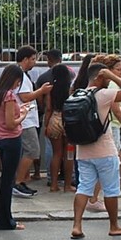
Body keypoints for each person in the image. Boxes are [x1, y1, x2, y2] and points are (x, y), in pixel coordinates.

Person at [70, 64, 121, 239]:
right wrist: (113, 76)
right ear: (100, 77)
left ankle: (77, 225)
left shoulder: (76, 94)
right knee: (111, 189)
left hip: (83, 151)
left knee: (84, 187)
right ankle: (114, 226)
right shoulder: (103, 94)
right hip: (105, 151)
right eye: (106, 78)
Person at [0, 64, 30, 231]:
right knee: (8, 182)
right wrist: (24, 115)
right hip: (11, 139)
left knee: (5, 180)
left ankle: (3, 218)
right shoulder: (9, 96)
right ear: (15, 80)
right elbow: (11, 123)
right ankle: (6, 220)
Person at [13, 45, 52, 198]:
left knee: (29, 151)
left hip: (26, 119)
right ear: (25, 59)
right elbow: (24, 96)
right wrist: (41, 91)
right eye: (33, 59)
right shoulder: (21, 75)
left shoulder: (22, 75)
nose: (35, 62)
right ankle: (18, 182)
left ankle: (21, 181)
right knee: (33, 150)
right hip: (25, 120)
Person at [44, 63, 75, 192]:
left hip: (55, 119)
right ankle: (67, 185)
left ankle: (54, 184)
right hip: (68, 121)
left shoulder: (51, 89)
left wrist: (46, 125)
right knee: (69, 154)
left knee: (56, 153)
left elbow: (48, 108)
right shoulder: (71, 89)